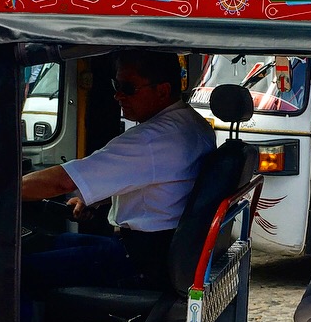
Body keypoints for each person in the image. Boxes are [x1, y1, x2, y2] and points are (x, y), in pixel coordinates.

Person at [21, 50, 215, 299]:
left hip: (138, 262)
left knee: (17, 271)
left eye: (128, 87)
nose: (117, 95)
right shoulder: (193, 124)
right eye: (116, 84)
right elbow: (164, 184)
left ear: (163, 90)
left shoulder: (150, 140)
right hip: (160, 252)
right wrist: (95, 197)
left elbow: (62, 181)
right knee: (51, 243)